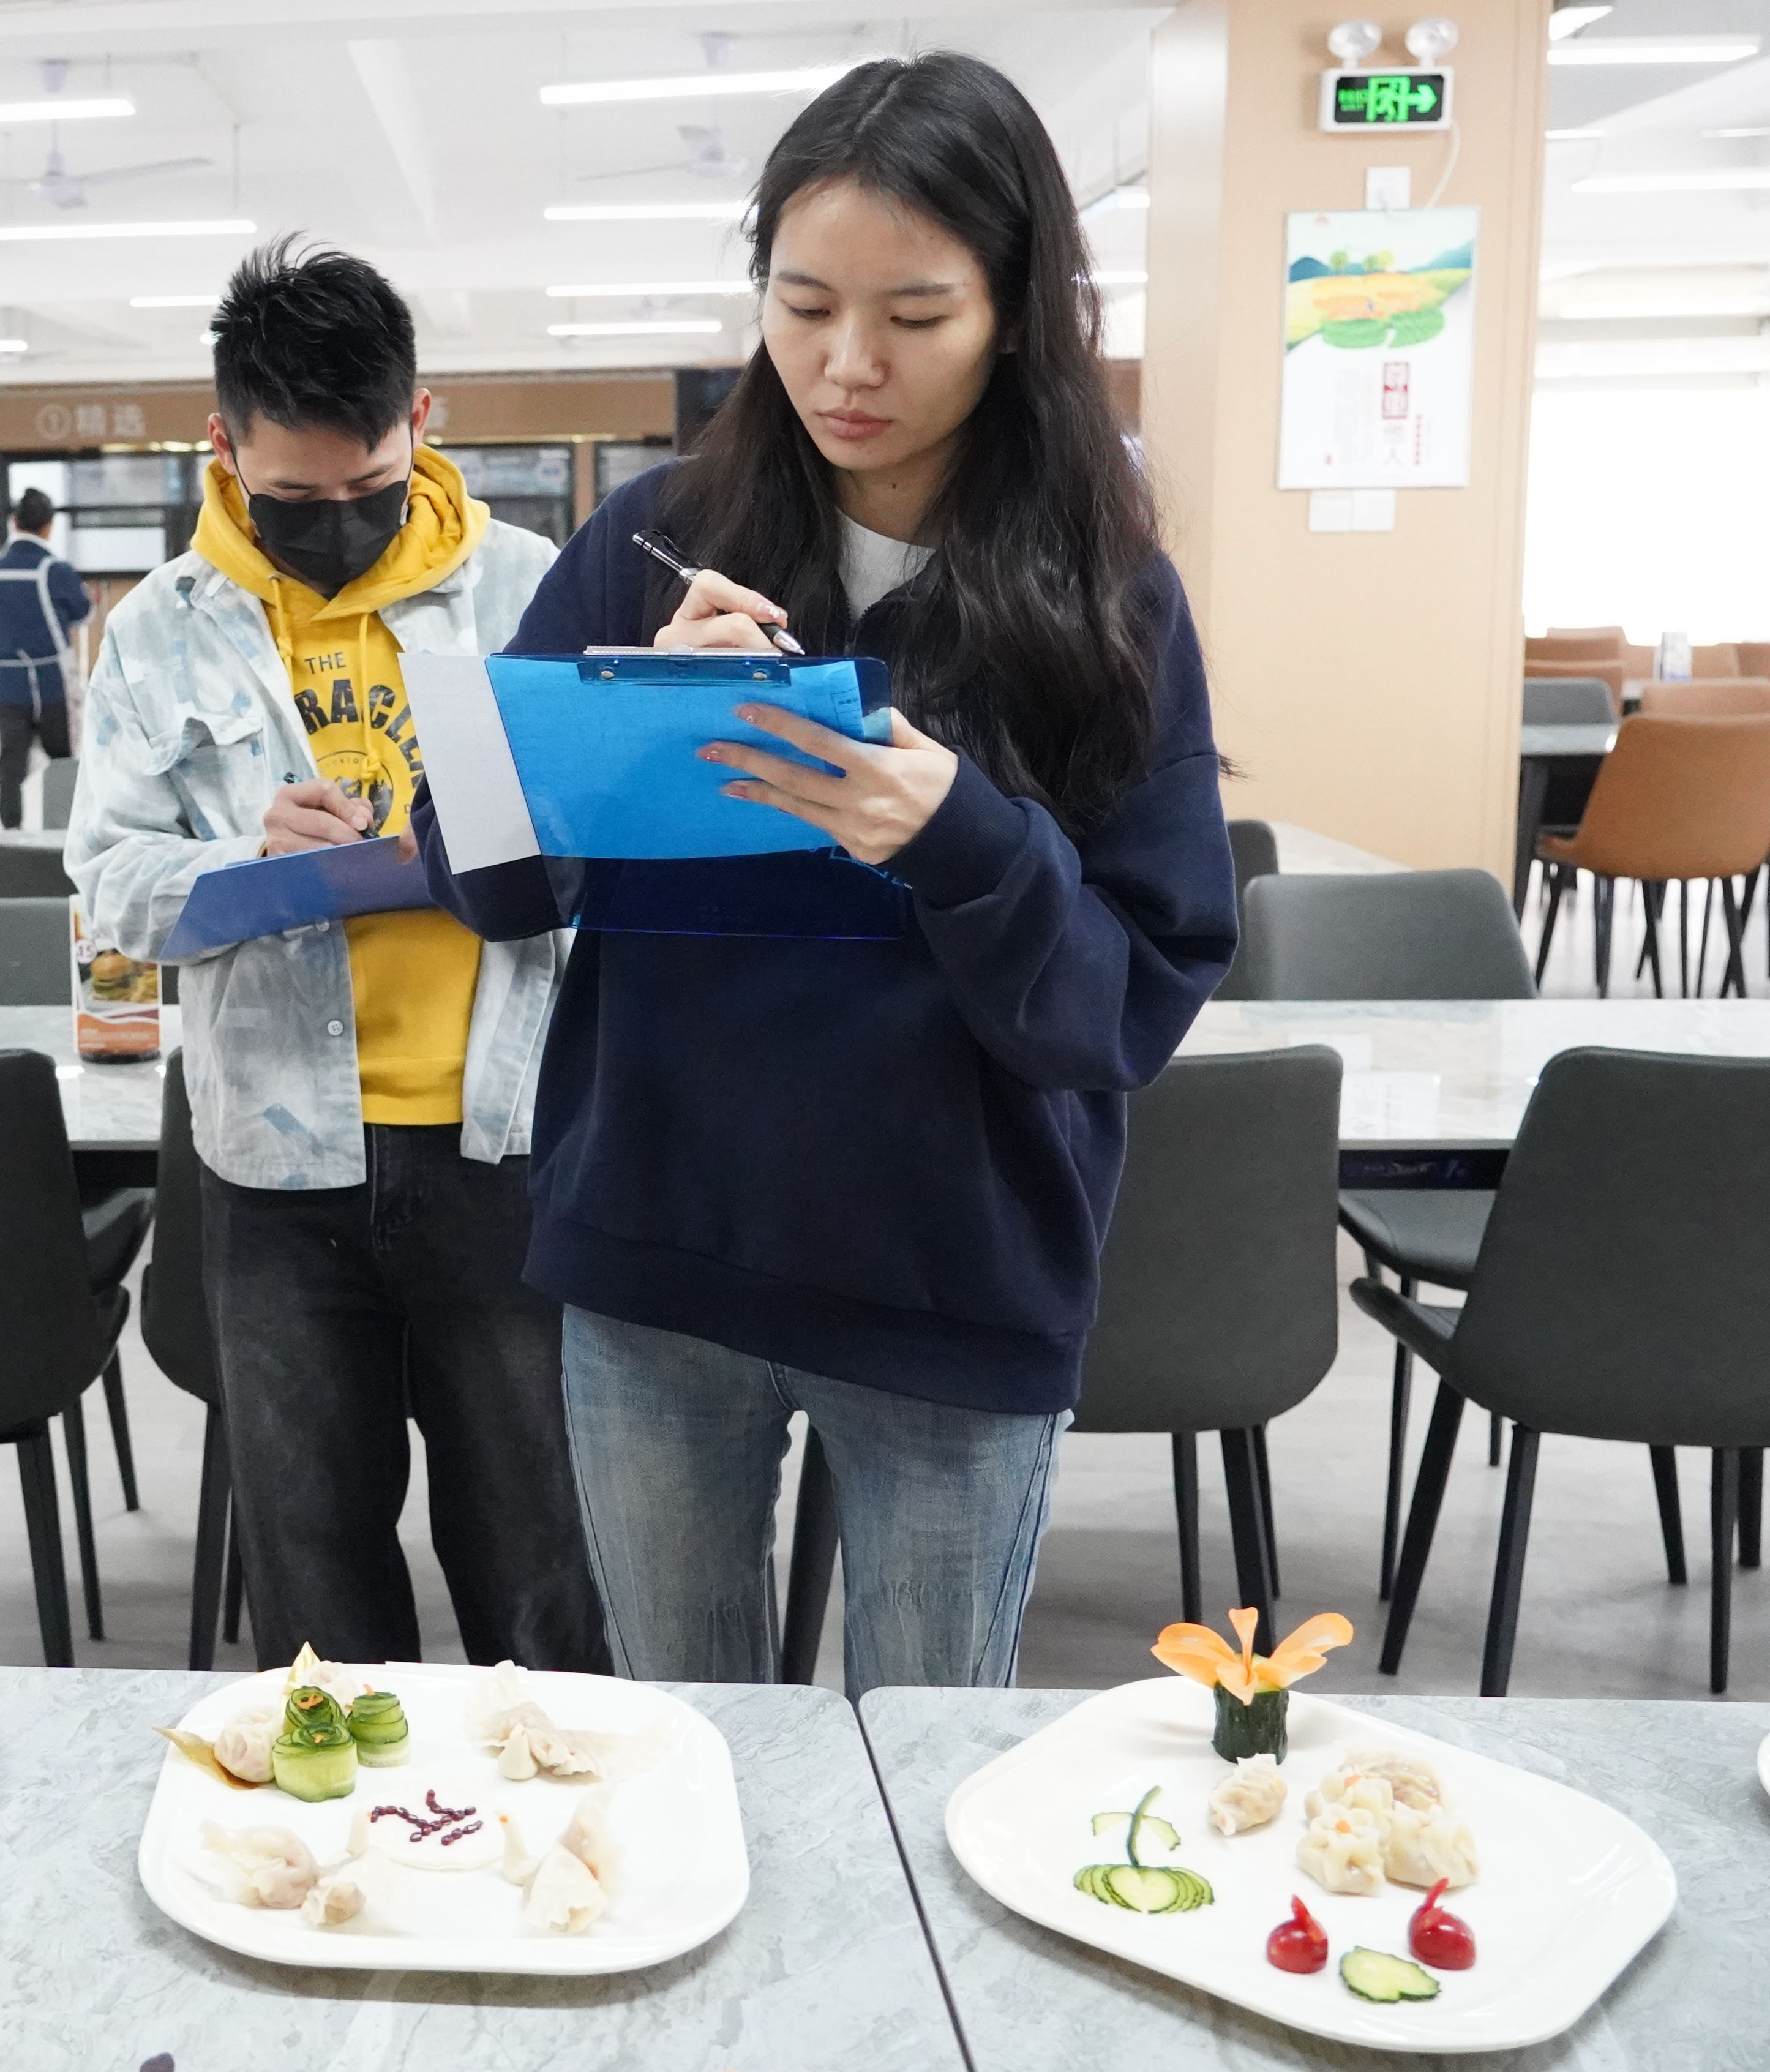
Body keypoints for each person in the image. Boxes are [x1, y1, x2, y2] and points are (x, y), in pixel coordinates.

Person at [419, 53, 1236, 1694]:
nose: (846, 365)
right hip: (658, 1258)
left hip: (951, 1283)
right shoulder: (649, 541)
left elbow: (1126, 1005)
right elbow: (482, 878)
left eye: (915, 315)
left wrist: (966, 839)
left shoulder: (1106, 604)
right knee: (691, 1750)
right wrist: (619, 731)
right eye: (803, 306)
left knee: (923, 1770)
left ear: (1015, 316)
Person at [68, 239, 607, 1674]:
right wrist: (249, 863)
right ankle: (339, 1812)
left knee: (542, 1574)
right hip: (275, 1165)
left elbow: (619, 860)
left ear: (419, 420)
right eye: (293, 499)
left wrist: (529, 841)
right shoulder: (160, 634)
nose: (336, 523)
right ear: (223, 445)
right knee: (313, 1586)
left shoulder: (534, 598)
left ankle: (544, 1803)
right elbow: (112, 891)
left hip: (504, 1149)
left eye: (366, 485)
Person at [0, 485, 91, 828]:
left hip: (8, 685)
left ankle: (12, 835)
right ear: (49, 526)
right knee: (62, 761)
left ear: (14, 522)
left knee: (10, 766)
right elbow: (83, 613)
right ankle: (62, 836)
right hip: (52, 684)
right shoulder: (56, 571)